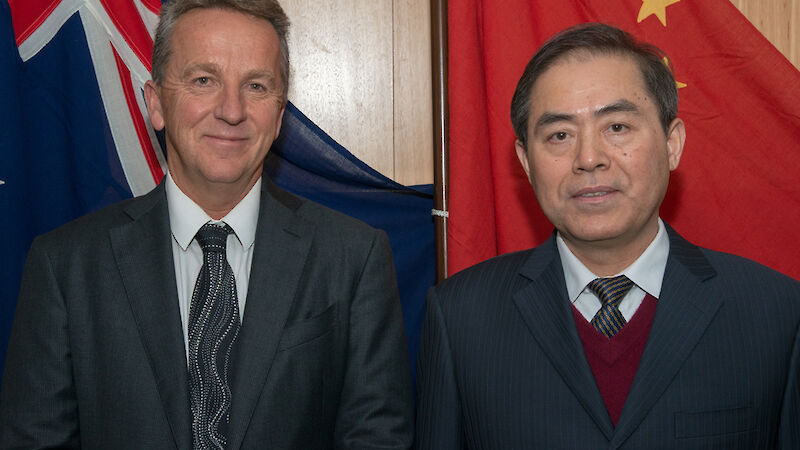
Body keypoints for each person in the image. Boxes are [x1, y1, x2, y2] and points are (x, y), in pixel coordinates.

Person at [0, 1, 413, 449]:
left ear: (278, 116)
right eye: (204, 80)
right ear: (155, 104)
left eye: (256, 86)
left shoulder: (353, 257)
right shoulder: (66, 266)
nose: (231, 111)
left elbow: (377, 438)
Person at [415, 23, 800, 449]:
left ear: (672, 144)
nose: (589, 158)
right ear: (526, 161)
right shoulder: (460, 318)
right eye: (559, 135)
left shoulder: (777, 314)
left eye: (616, 127)